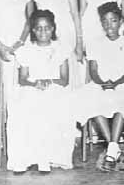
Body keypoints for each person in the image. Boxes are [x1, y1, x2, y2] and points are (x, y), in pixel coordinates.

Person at [75, 2, 124, 172]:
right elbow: (93, 70)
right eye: (104, 21)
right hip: (101, 84)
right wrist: (102, 83)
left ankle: (112, 150)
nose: (109, 25)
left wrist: (116, 83)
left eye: (113, 21)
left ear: (121, 22)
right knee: (93, 100)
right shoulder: (94, 43)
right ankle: (115, 150)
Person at [9, 10, 76, 174]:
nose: (43, 32)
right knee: (24, 106)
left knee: (49, 105)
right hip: (32, 87)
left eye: (47, 28)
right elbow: (22, 79)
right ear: (33, 30)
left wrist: (49, 81)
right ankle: (24, 158)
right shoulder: (26, 50)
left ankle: (44, 157)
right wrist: (34, 84)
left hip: (54, 88)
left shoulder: (61, 49)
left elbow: (65, 79)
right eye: (38, 28)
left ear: (53, 29)